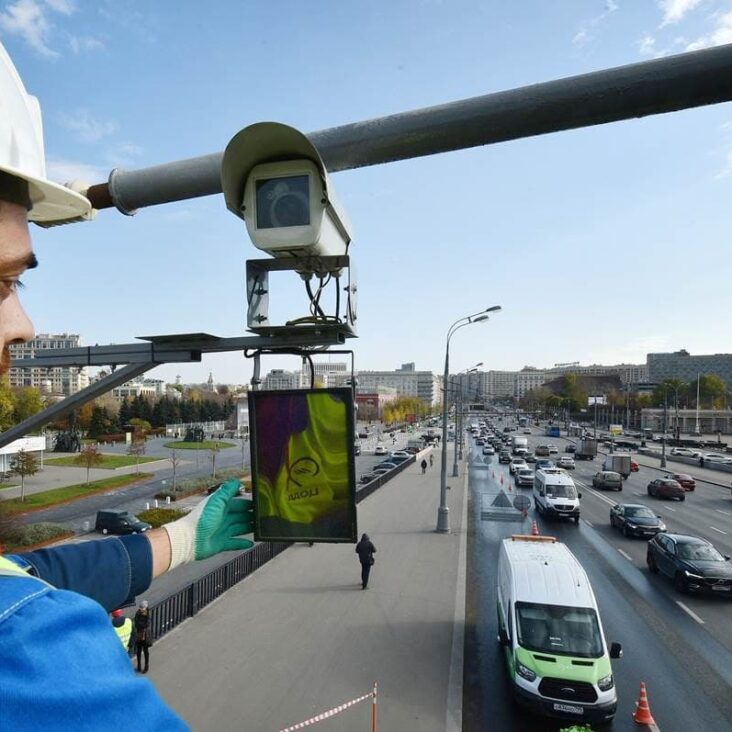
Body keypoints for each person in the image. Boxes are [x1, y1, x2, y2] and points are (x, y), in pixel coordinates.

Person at [0, 41, 255, 729]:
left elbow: (26, 579)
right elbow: (21, 603)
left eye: (16, 282)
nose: (23, 322)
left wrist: (184, 538)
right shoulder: (27, 661)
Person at [134, 600, 152, 673]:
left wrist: (140, 624)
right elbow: (136, 623)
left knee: (145, 650)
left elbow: (147, 624)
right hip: (139, 633)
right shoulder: (138, 613)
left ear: (146, 607)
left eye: (143, 607)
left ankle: (146, 666)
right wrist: (141, 624)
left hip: (145, 634)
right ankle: (139, 666)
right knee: (138, 650)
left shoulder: (148, 614)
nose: (141, 609)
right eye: (140, 607)